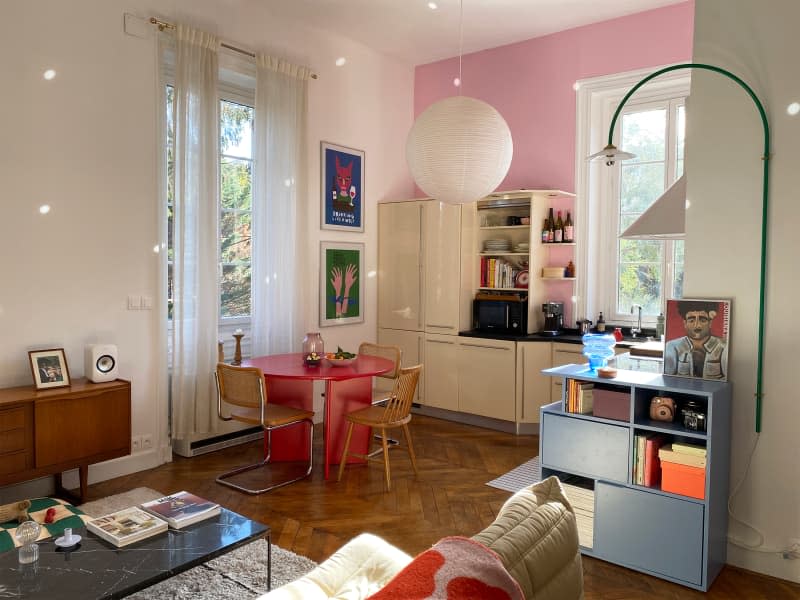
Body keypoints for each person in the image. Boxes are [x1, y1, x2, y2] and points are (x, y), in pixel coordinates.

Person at [663, 300, 727, 379]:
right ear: (685, 323)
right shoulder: (672, 346)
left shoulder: (723, 346)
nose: (697, 325)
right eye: (691, 320)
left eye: (703, 320)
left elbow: (725, 378)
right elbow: (668, 378)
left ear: (710, 323)